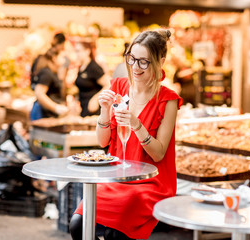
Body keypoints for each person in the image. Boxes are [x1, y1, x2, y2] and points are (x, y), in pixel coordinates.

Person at [69, 29, 183, 240]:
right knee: (78, 225)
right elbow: (103, 142)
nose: (135, 67)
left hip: (149, 183)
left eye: (143, 62)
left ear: (161, 61)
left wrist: (137, 125)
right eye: (132, 58)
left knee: (116, 233)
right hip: (115, 177)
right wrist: (104, 110)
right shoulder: (119, 87)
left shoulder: (168, 100)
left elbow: (158, 154)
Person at [30, 33, 69, 120]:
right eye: (61, 57)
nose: (64, 60)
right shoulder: (47, 73)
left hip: (47, 114)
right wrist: (56, 108)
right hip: (43, 114)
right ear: (55, 58)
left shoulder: (52, 71)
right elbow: (39, 93)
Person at [74, 40, 110, 117]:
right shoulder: (81, 67)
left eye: (78, 51)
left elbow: (109, 84)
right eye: (75, 51)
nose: (77, 54)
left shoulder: (94, 67)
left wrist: (96, 99)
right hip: (84, 109)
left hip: (94, 112)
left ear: (87, 51)